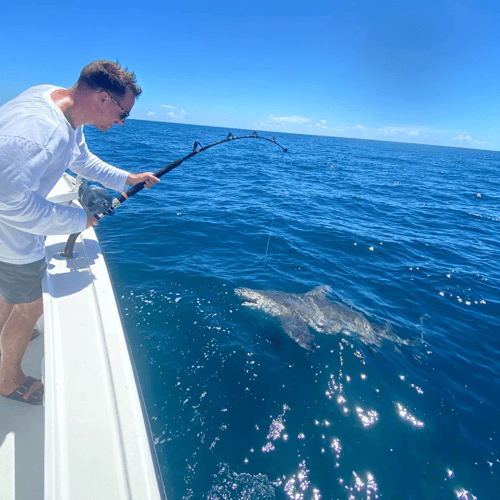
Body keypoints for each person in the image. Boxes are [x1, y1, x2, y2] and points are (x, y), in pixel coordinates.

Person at [0, 60, 160, 405]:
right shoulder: (37, 133)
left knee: (9, 293)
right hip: (10, 235)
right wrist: (79, 220)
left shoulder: (57, 103)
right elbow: (10, 204)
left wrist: (126, 178)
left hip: (11, 225)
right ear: (103, 98)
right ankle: (8, 379)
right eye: (123, 114)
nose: (122, 122)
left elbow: (80, 159)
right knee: (30, 307)